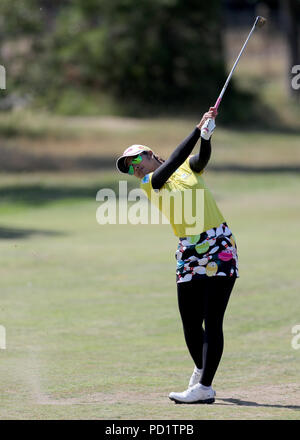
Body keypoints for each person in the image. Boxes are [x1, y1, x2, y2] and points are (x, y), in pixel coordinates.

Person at [116, 107, 239, 404]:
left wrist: (206, 137)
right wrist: (197, 130)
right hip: (187, 250)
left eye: (135, 160)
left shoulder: (186, 168)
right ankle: (201, 371)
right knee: (189, 321)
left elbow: (199, 159)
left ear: (149, 153)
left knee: (213, 319)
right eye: (129, 168)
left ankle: (205, 387)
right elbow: (171, 163)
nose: (135, 169)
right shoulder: (150, 183)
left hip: (217, 244)